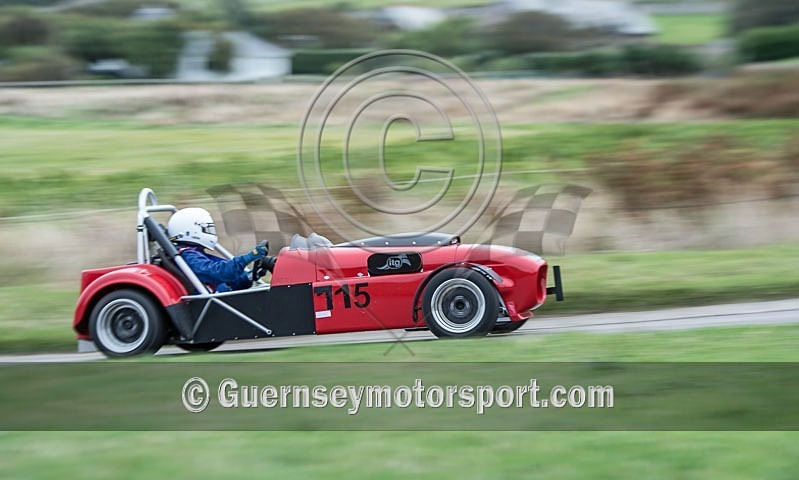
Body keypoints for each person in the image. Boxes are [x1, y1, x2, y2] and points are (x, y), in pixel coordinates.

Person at [167, 207, 275, 293]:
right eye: (207, 229)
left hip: (220, 297)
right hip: (211, 305)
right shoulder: (187, 256)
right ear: (189, 231)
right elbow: (218, 273)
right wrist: (250, 257)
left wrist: (251, 275)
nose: (211, 232)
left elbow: (229, 282)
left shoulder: (195, 253)